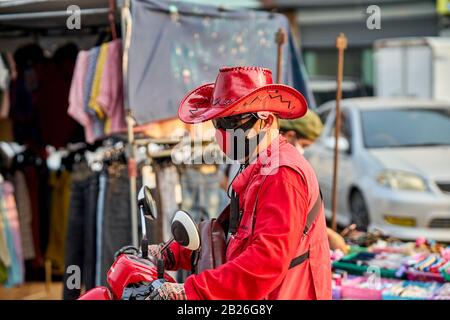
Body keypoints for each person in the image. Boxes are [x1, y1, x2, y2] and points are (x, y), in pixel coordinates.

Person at [149, 66, 332, 300]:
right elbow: (227, 233)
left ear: (266, 122)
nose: (225, 131)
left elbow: (265, 262)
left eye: (234, 121)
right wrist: (168, 253)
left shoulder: (282, 174)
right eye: (219, 122)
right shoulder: (259, 165)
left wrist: (190, 292)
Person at [279, 113, 349, 254]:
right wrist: (327, 234)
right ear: (290, 136)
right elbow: (283, 226)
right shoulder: (281, 170)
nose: (304, 150)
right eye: (304, 145)